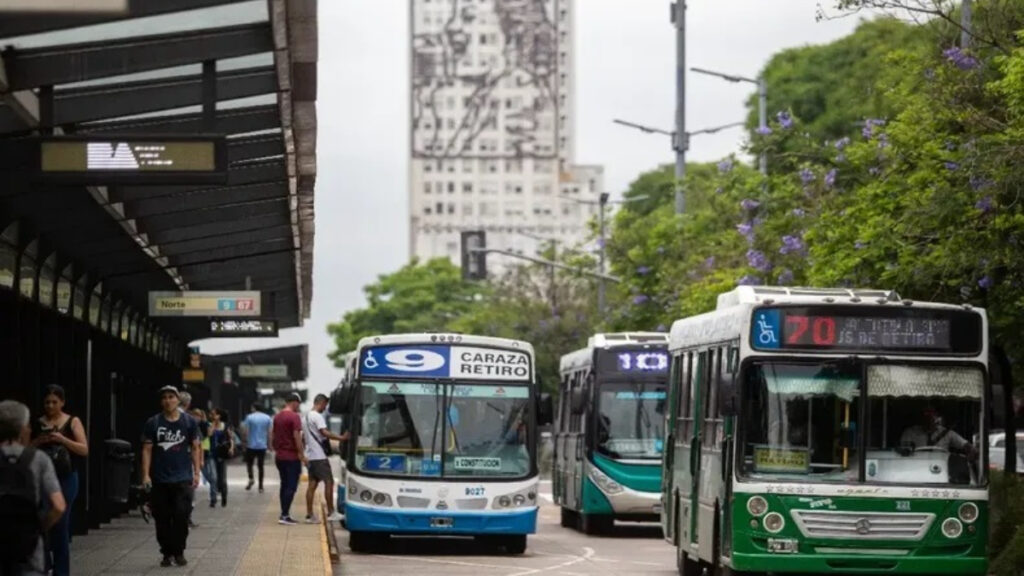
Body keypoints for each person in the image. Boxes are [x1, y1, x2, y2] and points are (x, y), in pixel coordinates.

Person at [0, 400, 66, 576]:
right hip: (28, 545)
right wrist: (38, 528)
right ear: (23, 428)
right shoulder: (38, 459)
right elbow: (58, 506)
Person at [30, 385, 88, 576]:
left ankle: (61, 571)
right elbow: (23, 450)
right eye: (47, 402)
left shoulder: (72, 421)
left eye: (55, 402)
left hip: (66, 476)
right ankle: (44, 565)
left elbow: (83, 449)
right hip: (42, 479)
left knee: (61, 522)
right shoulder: (37, 423)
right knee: (43, 522)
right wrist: (38, 441)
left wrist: (62, 439)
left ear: (62, 402)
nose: (50, 406)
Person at [141, 386, 201, 568]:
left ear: (177, 400)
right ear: (161, 402)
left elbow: (196, 447)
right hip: (160, 478)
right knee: (162, 518)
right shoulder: (153, 423)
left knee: (182, 515)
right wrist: (145, 475)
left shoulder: (189, 422)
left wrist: (197, 472)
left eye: (171, 397)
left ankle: (179, 551)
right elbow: (147, 449)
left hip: (183, 477)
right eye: (164, 398)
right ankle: (166, 552)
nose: (168, 400)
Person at [302, 394, 348, 524]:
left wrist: (304, 455)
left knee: (312, 485)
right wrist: (342, 438)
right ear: (321, 403)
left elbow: (303, 438)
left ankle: (309, 515)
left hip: (311, 456)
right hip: (319, 457)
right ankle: (331, 512)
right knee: (329, 482)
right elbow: (325, 433)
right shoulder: (317, 416)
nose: (325, 408)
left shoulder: (304, 417)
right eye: (325, 405)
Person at [272, 393, 305, 525]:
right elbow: (297, 436)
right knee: (291, 486)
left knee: (284, 484)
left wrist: (275, 448)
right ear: (294, 402)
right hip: (291, 456)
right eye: (298, 404)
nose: (299, 406)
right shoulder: (294, 417)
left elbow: (273, 435)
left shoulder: (277, 416)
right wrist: (301, 454)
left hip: (280, 456)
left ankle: (284, 513)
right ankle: (284, 515)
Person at [899, 405, 976, 457]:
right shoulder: (909, 432)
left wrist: (970, 457)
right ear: (921, 417)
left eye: (932, 414)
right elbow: (903, 453)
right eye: (926, 413)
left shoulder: (947, 433)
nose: (929, 417)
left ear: (937, 416)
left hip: (942, 470)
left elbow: (968, 447)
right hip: (916, 468)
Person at [241, 404, 273, 493]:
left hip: (251, 445)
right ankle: (261, 486)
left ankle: (251, 478)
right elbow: (269, 433)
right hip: (262, 446)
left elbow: (245, 431)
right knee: (261, 466)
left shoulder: (249, 417)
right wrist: (270, 445)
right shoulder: (267, 418)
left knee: (249, 464)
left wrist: (244, 443)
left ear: (254, 408)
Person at [208, 409, 235, 508]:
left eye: (214, 414)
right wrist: (214, 425)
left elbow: (230, 438)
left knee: (222, 478)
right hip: (212, 454)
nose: (212, 416)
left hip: (222, 454)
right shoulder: (210, 425)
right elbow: (209, 434)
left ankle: (224, 497)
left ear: (219, 415)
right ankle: (213, 499)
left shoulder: (225, 426)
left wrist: (231, 448)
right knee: (213, 477)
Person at [190, 409, 217, 504]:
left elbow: (209, 434)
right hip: (194, 455)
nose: (196, 418)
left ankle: (213, 496)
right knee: (193, 477)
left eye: (198, 416)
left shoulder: (206, 425)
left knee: (212, 477)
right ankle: (191, 500)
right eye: (194, 415)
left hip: (206, 454)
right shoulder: (190, 425)